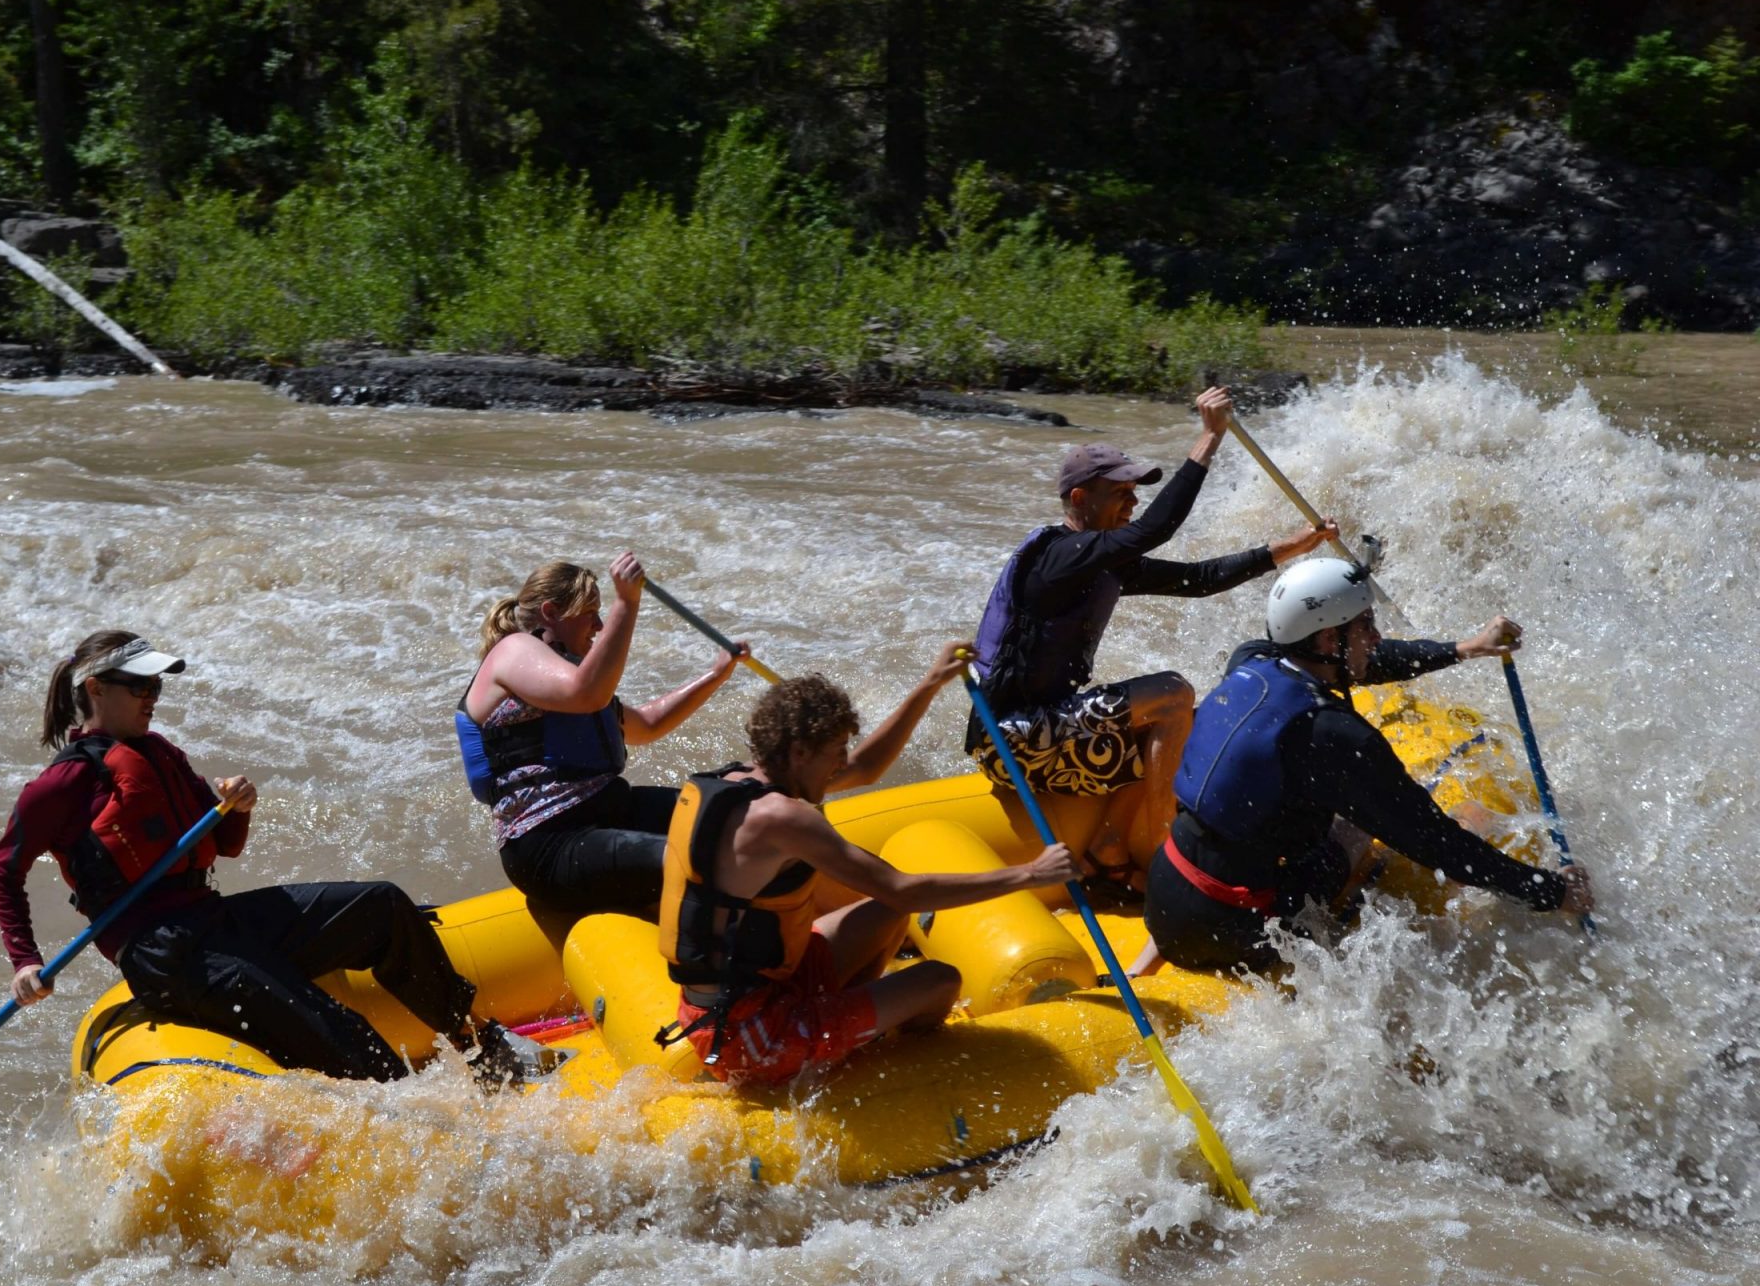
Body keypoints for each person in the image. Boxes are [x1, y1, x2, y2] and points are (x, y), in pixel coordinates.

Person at [0, 629, 514, 1084]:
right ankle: (418, 1118)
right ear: (95, 689)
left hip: (213, 920)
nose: (153, 696)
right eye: (140, 686)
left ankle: (483, 1051)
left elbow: (225, 846)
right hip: (164, 956)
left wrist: (236, 806)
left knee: (383, 906)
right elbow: (5, 871)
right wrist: (25, 960)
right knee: (342, 1033)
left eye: (157, 685)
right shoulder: (63, 784)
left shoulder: (159, 754)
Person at [968, 386, 1335, 902]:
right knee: (1172, 691)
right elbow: (1156, 528)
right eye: (1120, 492)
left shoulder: (1097, 564)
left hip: (1040, 729)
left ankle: (1112, 849)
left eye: (1135, 491)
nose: (1133, 500)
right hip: (1013, 738)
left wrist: (1292, 547)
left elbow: (1200, 579)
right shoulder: (1063, 557)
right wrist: (1209, 438)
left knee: (1175, 727)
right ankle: (1165, 852)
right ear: (1080, 498)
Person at [1144, 558, 1596, 972]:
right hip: (1236, 931)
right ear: (1326, 638)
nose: (1376, 636)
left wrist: (1465, 648)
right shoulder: (1334, 736)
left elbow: (1363, 663)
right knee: (1362, 825)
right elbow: (1439, 845)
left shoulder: (1251, 660)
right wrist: (1551, 891)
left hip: (1162, 897)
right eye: (1366, 624)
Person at [655, 652, 1078, 1087]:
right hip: (752, 1036)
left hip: (744, 1001)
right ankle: (891, 1079)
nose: (842, 765)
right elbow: (905, 890)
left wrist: (930, 684)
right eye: (835, 753)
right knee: (941, 980)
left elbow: (867, 769)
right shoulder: (784, 819)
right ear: (800, 752)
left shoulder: (736, 782)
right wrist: (1030, 874)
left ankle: (848, 1028)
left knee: (886, 914)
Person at [456, 551, 748, 931]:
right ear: (550, 612)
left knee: (731, 812)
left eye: (602, 611)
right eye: (589, 611)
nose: (597, 624)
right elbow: (587, 693)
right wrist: (627, 602)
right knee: (693, 856)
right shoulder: (515, 651)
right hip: (550, 844)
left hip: (610, 813)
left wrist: (715, 675)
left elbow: (646, 724)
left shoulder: (565, 678)